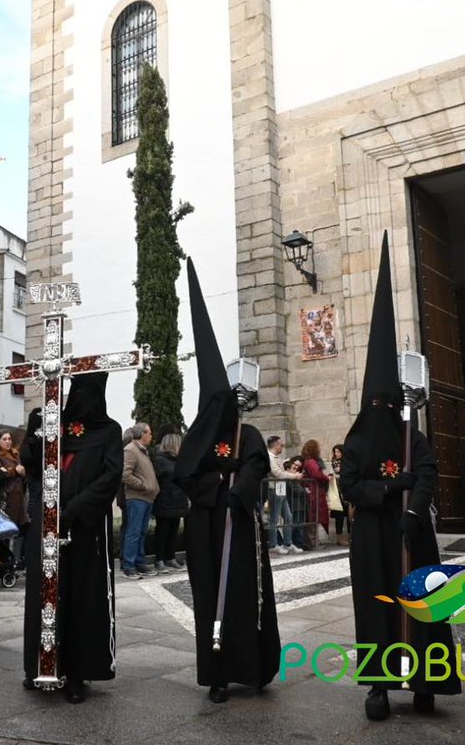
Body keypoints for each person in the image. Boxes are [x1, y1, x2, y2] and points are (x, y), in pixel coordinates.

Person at [338, 232, 460, 721]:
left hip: (411, 532)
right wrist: (392, 488)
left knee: (423, 607)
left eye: (385, 404)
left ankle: (426, 681)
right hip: (371, 537)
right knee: (377, 611)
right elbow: (351, 486)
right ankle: (379, 687)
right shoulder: (357, 441)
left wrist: (412, 511)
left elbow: (426, 472)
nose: (380, 411)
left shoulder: (414, 435)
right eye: (374, 404)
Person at [175, 258, 280, 703]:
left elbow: (256, 466)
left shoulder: (249, 433)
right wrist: (218, 481)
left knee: (244, 597)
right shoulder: (198, 438)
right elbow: (185, 474)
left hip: (240, 525)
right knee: (210, 600)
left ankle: (250, 668)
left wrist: (237, 487)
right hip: (207, 527)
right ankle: (216, 674)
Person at [22, 372, 123, 703]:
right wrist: (35, 434)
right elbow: (33, 467)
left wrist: (75, 510)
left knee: (82, 600)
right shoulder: (54, 424)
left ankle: (78, 673)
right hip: (47, 524)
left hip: (85, 529)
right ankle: (41, 663)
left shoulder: (109, 431)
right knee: (44, 595)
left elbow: (110, 477)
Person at [120, 422, 158, 579]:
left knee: (141, 532)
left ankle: (139, 563)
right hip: (137, 498)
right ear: (142, 434)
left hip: (146, 498)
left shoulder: (142, 451)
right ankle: (129, 566)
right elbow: (124, 474)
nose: (151, 436)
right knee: (134, 532)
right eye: (149, 433)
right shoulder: (130, 450)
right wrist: (144, 486)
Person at [152, 432, 187, 573]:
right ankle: (159, 559)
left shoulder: (177, 460)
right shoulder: (159, 460)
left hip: (177, 501)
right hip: (164, 501)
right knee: (162, 531)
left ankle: (170, 557)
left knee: (173, 531)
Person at [0, 429, 28, 567]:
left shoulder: (15, 453)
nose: (8, 441)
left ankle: (14, 560)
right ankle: (3, 562)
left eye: (9, 439)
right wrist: (15, 471)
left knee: (20, 527)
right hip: (7, 495)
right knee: (5, 530)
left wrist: (23, 472)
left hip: (18, 494)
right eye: (4, 439)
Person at [265, 436, 293, 554]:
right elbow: (277, 473)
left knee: (288, 517)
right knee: (274, 518)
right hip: (274, 489)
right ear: (276, 445)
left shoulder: (276, 457)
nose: (282, 447)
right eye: (281, 445)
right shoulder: (269, 457)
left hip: (280, 489)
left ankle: (288, 543)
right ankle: (274, 544)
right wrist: (294, 476)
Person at [300, 440, 331, 546]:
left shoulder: (309, 461)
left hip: (316, 491)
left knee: (315, 516)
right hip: (315, 492)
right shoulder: (311, 462)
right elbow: (317, 474)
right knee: (315, 515)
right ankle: (314, 541)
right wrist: (327, 478)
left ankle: (315, 540)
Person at [328, 443, 349, 546]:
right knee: (339, 515)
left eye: (338, 451)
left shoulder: (348, 462)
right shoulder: (334, 462)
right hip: (338, 491)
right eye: (335, 452)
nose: (336, 454)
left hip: (347, 490)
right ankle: (339, 538)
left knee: (349, 515)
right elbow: (336, 472)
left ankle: (350, 536)